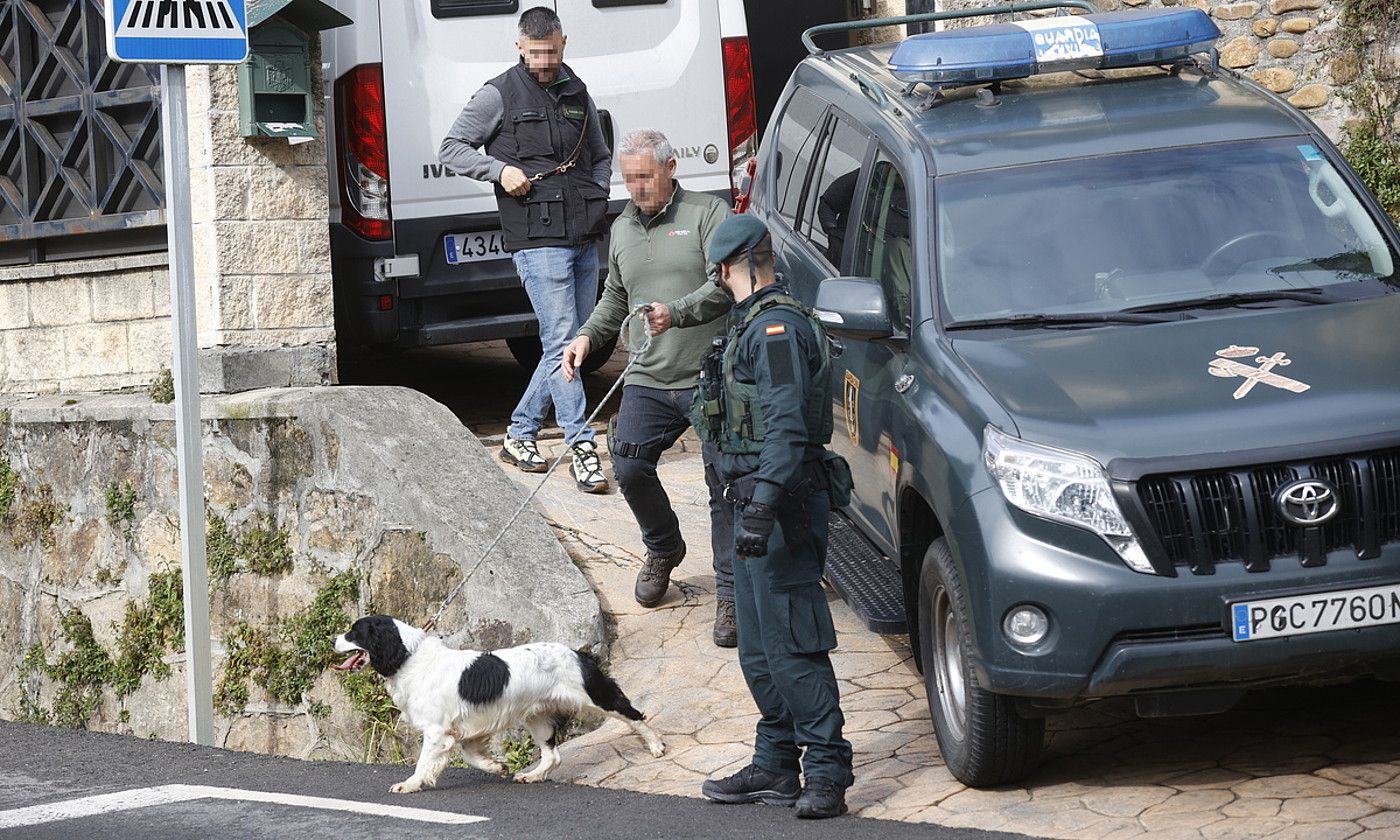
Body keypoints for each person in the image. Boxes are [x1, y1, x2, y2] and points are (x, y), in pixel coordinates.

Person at [694, 214, 854, 819]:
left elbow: (787, 427)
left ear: (732, 266)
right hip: (752, 505)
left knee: (792, 643)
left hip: (780, 507)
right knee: (758, 647)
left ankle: (828, 770)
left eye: (718, 271)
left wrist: (761, 509)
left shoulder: (777, 329)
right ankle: (776, 764)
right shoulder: (748, 325)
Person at [560, 128, 738, 646]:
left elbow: (725, 283)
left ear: (670, 169)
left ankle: (728, 591)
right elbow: (616, 297)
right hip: (647, 375)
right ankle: (663, 546)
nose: (636, 187)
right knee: (630, 464)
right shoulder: (621, 229)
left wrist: (676, 312)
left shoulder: (708, 213)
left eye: (645, 177)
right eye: (629, 178)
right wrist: (587, 339)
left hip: (709, 373)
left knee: (723, 485)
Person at [438, 5, 611, 494]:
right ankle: (582, 446)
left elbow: (599, 154)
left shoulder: (577, 88)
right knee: (562, 341)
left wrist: (598, 193)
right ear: (519, 46)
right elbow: (452, 146)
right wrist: (499, 171)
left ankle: (519, 433)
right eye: (535, 53)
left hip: (582, 233)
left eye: (551, 52)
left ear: (564, 43)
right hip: (536, 238)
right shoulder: (498, 93)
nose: (544, 61)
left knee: (572, 342)